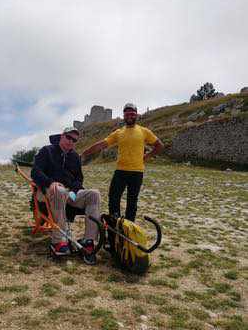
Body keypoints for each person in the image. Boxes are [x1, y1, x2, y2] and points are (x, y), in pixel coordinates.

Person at [81, 103, 164, 222]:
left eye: (132, 114)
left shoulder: (144, 131)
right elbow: (102, 144)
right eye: (127, 114)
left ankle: (128, 229)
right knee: (113, 199)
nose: (130, 116)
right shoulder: (118, 133)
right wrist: (84, 153)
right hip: (120, 171)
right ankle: (115, 226)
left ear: (137, 115)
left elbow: (159, 146)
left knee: (132, 203)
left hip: (137, 172)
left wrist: (147, 156)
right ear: (124, 116)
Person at [31, 126, 101, 265]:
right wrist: (50, 183)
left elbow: (79, 179)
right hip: (46, 192)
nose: (71, 141)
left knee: (94, 194)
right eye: (68, 137)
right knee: (59, 190)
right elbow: (35, 172)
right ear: (62, 136)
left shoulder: (75, 157)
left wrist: (74, 192)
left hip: (69, 193)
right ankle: (59, 240)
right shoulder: (47, 151)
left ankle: (88, 240)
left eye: (74, 140)